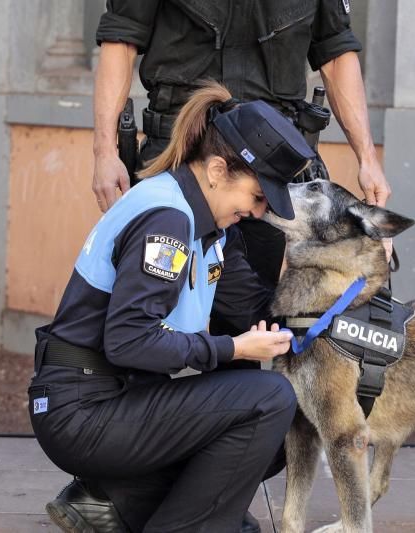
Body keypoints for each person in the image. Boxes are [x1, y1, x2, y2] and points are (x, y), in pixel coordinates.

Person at [29, 83, 315, 533]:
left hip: (122, 399)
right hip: (83, 411)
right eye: (257, 197)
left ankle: (114, 502)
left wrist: (340, 302)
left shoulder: (214, 229)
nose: (259, 212)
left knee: (283, 425)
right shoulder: (168, 219)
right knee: (267, 399)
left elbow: (261, 314)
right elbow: (127, 342)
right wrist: (232, 349)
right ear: (218, 170)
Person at [92, 0, 391, 290]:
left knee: (250, 306)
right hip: (180, 152)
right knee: (154, 294)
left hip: (268, 170)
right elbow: (122, 38)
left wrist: (367, 158)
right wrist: (104, 151)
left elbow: (335, 52)